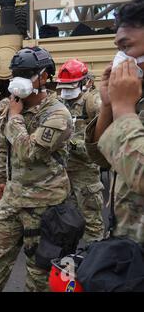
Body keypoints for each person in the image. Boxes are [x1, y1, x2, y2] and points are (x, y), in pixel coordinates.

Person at [0, 47, 72, 292]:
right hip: (12, 199)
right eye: (16, 73)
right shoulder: (11, 107)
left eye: (27, 73)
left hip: (44, 205)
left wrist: (15, 117)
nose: (19, 78)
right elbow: (3, 145)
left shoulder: (57, 114)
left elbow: (30, 153)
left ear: (43, 77)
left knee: (38, 273)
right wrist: (0, 178)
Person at [85, 0, 144, 245]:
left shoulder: (129, 105)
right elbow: (102, 158)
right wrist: (109, 106)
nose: (120, 59)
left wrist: (123, 109)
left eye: (126, 47)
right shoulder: (136, 97)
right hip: (128, 238)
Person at [56, 59, 105, 242]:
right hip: (62, 173)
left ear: (86, 82)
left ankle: (93, 262)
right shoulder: (59, 103)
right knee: (65, 221)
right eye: (63, 86)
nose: (66, 91)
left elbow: (101, 142)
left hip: (86, 173)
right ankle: (68, 261)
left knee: (91, 222)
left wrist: (72, 143)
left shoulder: (93, 103)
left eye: (71, 86)